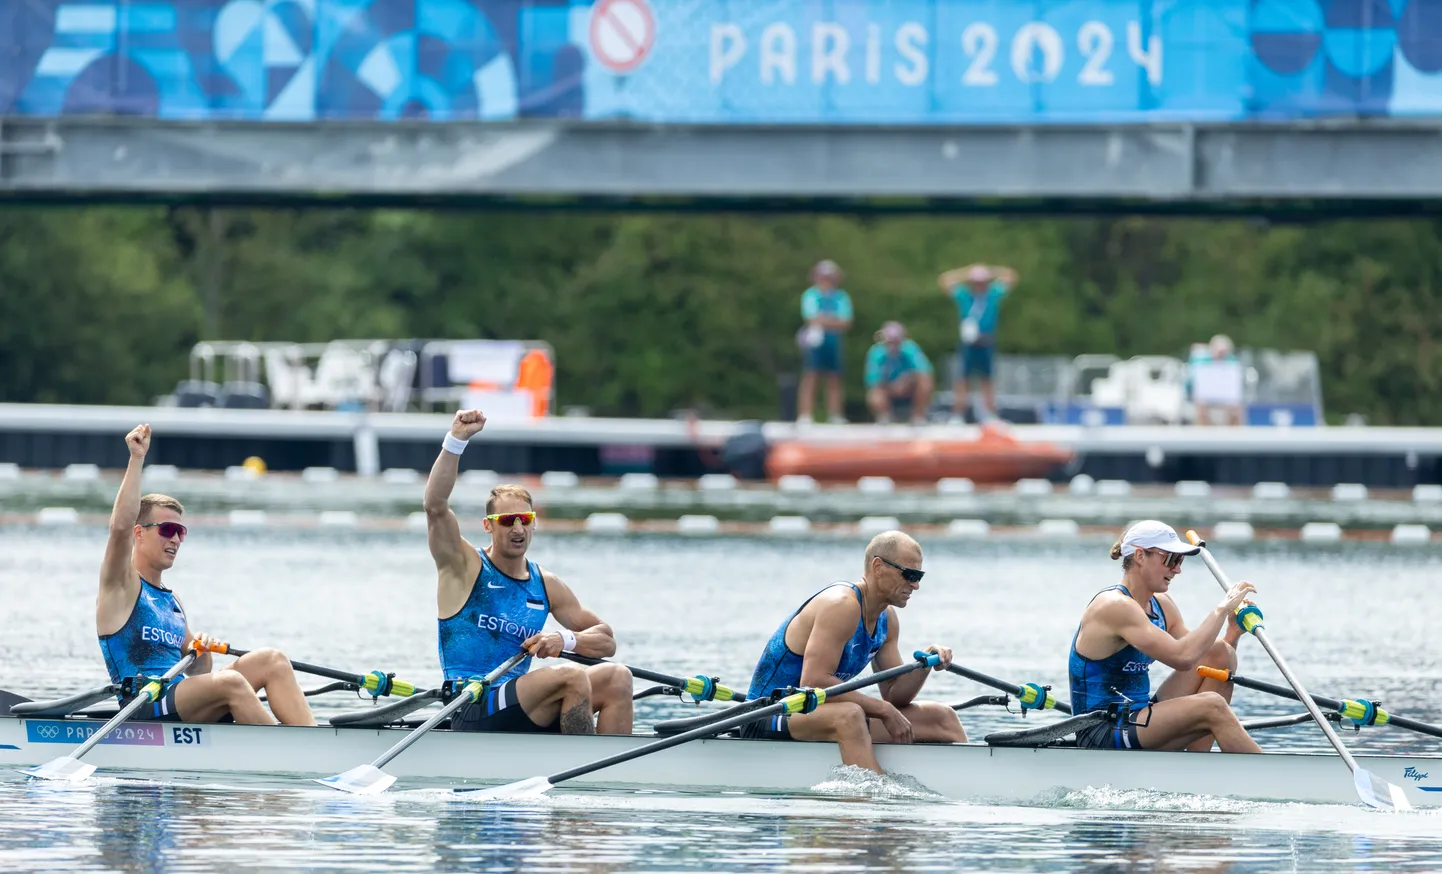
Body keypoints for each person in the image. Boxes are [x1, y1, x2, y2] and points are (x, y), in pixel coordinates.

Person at [424, 409, 633, 735]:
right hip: (471, 703)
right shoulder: (464, 566)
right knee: (572, 676)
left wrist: (563, 638)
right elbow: (435, 506)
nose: (518, 528)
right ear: (488, 527)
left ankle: (613, 776)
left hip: (521, 699)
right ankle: (581, 769)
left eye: (526, 519)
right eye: (507, 521)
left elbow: (606, 640)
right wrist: (456, 441)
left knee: (618, 676)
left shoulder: (546, 585)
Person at [97, 424, 317, 725]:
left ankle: (310, 738)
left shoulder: (171, 601)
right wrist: (137, 459)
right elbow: (119, 528)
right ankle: (294, 755)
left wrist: (199, 650)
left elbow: (200, 672)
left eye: (181, 532)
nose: (175, 539)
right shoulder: (121, 587)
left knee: (273, 660)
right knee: (232, 684)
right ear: (140, 534)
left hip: (180, 698)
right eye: (167, 530)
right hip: (143, 705)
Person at [742, 531, 966, 773]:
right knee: (850, 715)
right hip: (766, 714)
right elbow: (814, 681)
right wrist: (883, 710)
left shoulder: (887, 619)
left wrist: (925, 664)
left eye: (919, 575)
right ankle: (875, 798)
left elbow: (894, 695)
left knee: (942, 717)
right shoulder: (841, 605)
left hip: (813, 712)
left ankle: (969, 788)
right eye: (910, 574)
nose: (916, 585)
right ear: (878, 566)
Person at [1067, 520, 1262, 753]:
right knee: (1212, 707)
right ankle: (1274, 781)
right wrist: (1221, 610)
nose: (1177, 569)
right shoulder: (1114, 606)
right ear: (1140, 556)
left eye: (1179, 561)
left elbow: (1203, 658)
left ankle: (1197, 766)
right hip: (1102, 731)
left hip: (1137, 717)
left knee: (1220, 652)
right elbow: (1183, 657)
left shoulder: (1162, 605)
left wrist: (1232, 632)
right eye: (1170, 559)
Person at [937, 263, 1019, 423]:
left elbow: (1011, 276)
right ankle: (957, 414)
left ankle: (990, 414)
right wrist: (966, 272)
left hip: (986, 341)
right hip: (968, 342)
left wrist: (991, 271)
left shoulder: (993, 294)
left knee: (987, 380)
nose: (979, 285)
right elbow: (944, 279)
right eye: (976, 282)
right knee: (963, 379)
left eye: (982, 282)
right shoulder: (964, 295)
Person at [796, 260, 854, 425]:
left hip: (834, 341)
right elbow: (810, 318)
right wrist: (833, 321)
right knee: (811, 375)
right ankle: (805, 415)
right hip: (815, 340)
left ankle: (835, 414)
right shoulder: (811, 294)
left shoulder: (841, 296)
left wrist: (823, 320)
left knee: (835, 378)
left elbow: (846, 322)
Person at [864, 321, 934, 425]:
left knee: (925, 383)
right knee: (874, 394)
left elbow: (924, 372)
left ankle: (918, 416)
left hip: (909, 387)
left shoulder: (910, 349)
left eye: (895, 341)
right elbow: (872, 380)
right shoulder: (876, 353)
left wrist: (907, 379)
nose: (893, 345)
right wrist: (891, 386)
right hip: (887, 389)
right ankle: (884, 416)